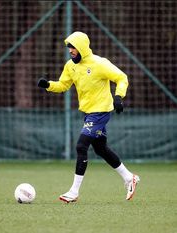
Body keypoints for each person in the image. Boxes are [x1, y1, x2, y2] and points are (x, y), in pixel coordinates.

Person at [37, 31, 140, 203]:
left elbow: (122, 78)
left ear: (82, 48)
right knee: (100, 149)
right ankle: (130, 178)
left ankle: (74, 192)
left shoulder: (100, 63)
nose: (70, 51)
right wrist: (48, 85)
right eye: (69, 48)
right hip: (88, 112)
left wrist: (118, 96)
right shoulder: (70, 66)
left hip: (101, 112)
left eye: (73, 48)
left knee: (81, 146)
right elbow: (63, 85)